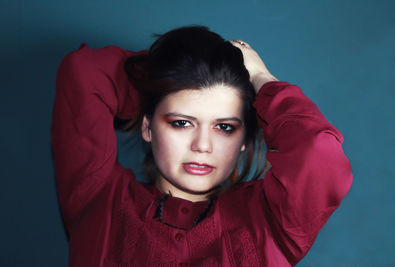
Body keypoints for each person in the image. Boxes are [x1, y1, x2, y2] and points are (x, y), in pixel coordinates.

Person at [51, 26, 352, 266]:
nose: (202, 145)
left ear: (245, 139)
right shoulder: (98, 198)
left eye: (224, 127)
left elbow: (318, 151)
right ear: (148, 126)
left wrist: (262, 79)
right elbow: (83, 72)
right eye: (181, 123)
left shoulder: (273, 223)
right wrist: (171, 74)